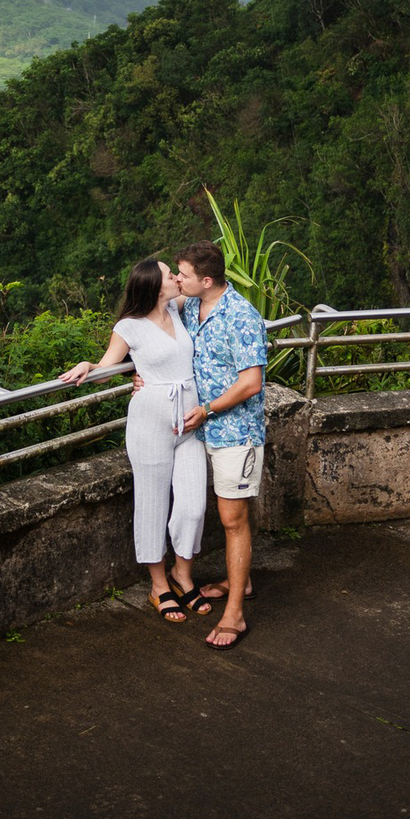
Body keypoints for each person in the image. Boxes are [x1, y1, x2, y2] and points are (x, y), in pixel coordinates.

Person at [58, 258, 210, 624]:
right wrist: (89, 367)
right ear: (156, 287)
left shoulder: (177, 308)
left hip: (188, 424)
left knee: (193, 505)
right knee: (152, 505)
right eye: (169, 274)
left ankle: (182, 574)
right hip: (149, 425)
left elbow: (210, 293)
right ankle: (159, 586)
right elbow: (110, 365)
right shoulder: (129, 327)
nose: (176, 277)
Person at [150, 241, 268, 650]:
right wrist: (141, 375)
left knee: (233, 520)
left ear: (206, 280)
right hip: (202, 432)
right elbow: (156, 337)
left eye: (181, 274)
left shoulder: (241, 317)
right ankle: (243, 581)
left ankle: (235, 613)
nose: (176, 280)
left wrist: (207, 410)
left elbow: (251, 383)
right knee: (222, 515)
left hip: (236, 433)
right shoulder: (189, 308)